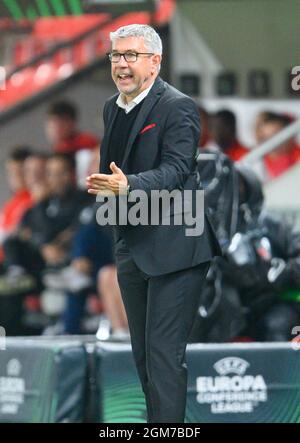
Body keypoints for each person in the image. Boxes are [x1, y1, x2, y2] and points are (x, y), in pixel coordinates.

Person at [86, 24, 221, 423]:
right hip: (132, 241)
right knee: (143, 357)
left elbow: (178, 169)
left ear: (155, 61)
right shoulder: (112, 106)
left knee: (163, 355)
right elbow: (112, 170)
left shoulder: (177, 105)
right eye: (115, 56)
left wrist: (129, 185)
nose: (121, 64)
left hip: (177, 243)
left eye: (130, 55)